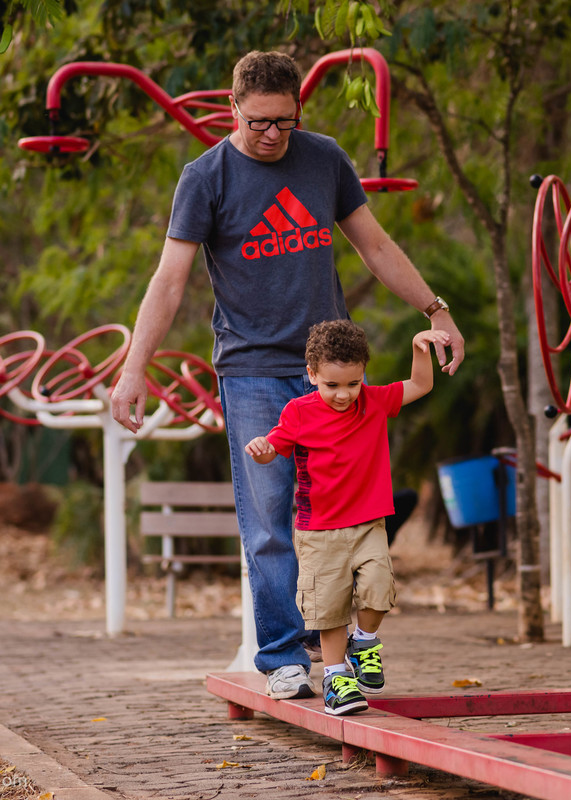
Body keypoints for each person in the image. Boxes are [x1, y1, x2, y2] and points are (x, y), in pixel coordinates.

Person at [109, 51, 464, 701]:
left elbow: (375, 244)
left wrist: (436, 311)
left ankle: (337, 639)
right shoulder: (205, 177)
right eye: (260, 123)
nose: (273, 136)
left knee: (345, 509)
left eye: (286, 123)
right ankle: (281, 654)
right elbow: (169, 280)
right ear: (234, 110)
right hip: (252, 371)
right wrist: (135, 368)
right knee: (269, 516)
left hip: (330, 368)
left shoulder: (323, 158)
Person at [245, 319, 446, 715]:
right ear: (312, 374)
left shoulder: (373, 401)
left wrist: (419, 347)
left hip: (369, 522)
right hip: (319, 530)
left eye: (352, 384)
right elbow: (275, 449)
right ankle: (337, 677)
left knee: (378, 588)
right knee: (330, 607)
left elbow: (420, 385)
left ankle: (365, 642)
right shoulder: (299, 412)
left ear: (362, 376)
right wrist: (261, 448)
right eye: (332, 385)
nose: (343, 394)